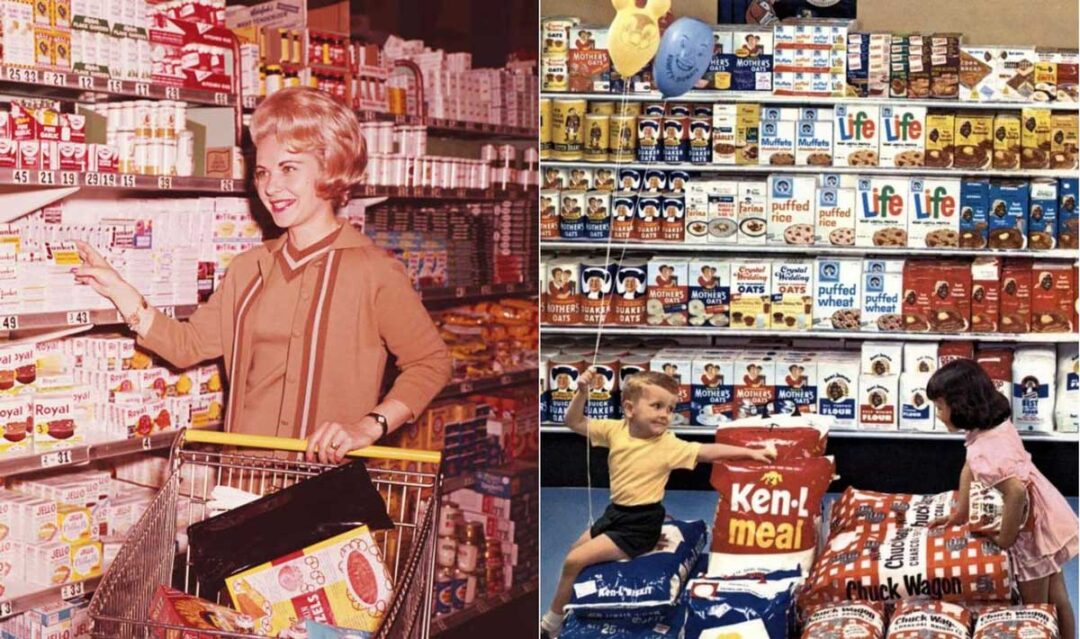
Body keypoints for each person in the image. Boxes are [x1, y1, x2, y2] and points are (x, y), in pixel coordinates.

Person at [72, 87, 452, 464]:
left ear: (331, 168)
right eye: (263, 172)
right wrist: (120, 291)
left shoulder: (374, 271)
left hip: (329, 490)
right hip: (245, 483)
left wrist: (369, 426)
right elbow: (186, 346)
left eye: (289, 169)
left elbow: (431, 362)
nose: (271, 187)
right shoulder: (248, 268)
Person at [539, 370, 775, 638]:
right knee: (574, 550)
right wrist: (581, 392)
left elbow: (707, 451)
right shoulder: (615, 430)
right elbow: (574, 421)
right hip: (615, 514)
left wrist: (751, 453)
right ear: (629, 408)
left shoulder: (668, 445)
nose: (665, 414)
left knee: (573, 560)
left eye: (671, 408)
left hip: (640, 525)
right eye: (657, 406)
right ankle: (570, 610)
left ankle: (550, 624)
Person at [927, 359, 1077, 638]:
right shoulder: (991, 427)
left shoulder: (987, 450)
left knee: (1036, 610)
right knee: (1058, 598)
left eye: (940, 407)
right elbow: (968, 467)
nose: (938, 414)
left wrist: (1006, 538)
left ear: (961, 406)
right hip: (1044, 514)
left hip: (1029, 530)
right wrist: (961, 512)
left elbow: (1016, 492)